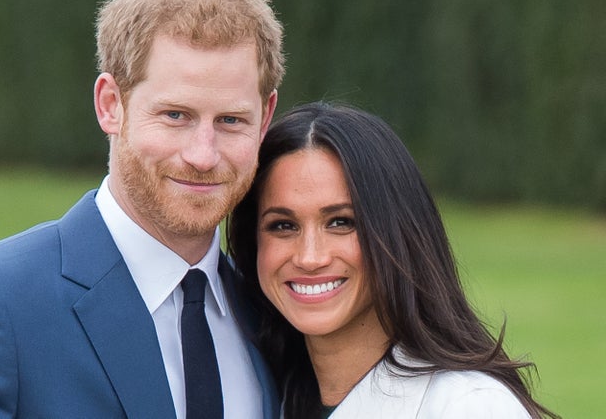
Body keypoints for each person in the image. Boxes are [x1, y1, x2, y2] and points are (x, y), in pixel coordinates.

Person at [0, 0, 284, 418]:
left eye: (231, 120)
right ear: (110, 105)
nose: (203, 154)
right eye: (176, 115)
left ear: (265, 118)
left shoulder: (273, 312)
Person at [228, 102, 559, 419]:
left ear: (396, 233)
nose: (310, 257)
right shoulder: (262, 397)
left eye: (341, 222)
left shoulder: (466, 407)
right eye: (283, 226)